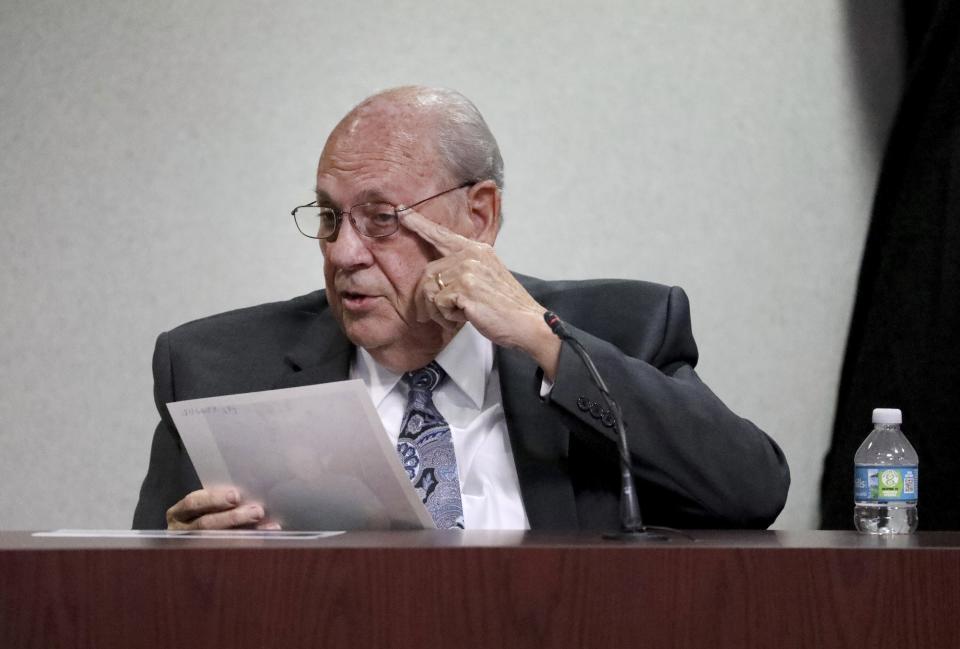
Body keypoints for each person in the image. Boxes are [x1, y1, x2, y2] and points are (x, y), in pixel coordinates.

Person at [133, 86, 790, 531]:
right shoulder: (219, 370)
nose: (343, 253)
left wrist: (546, 344)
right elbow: (136, 600)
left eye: (381, 219)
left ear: (478, 216)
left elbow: (752, 490)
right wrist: (177, 561)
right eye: (330, 217)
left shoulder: (623, 329)